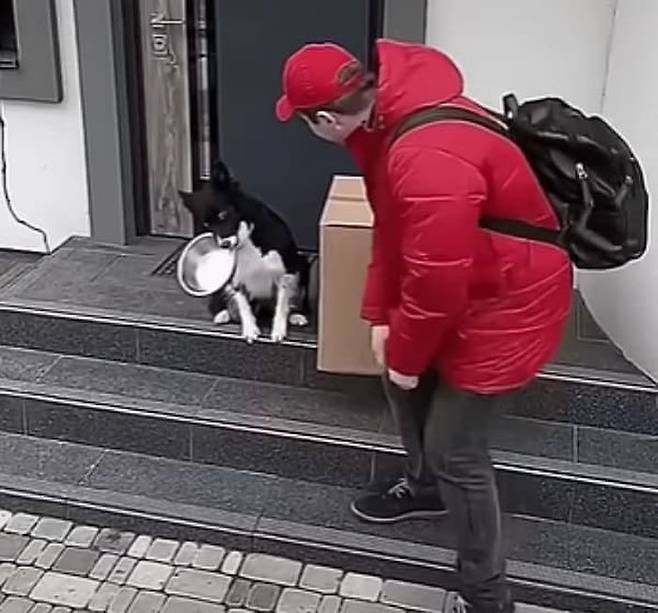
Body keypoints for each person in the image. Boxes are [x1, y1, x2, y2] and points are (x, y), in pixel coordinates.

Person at [275, 39, 572, 613]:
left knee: (457, 450)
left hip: (510, 301)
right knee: (400, 377)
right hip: (475, 280)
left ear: (326, 119)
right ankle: (426, 486)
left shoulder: (423, 153)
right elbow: (393, 233)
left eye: (305, 123)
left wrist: (410, 355)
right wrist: (379, 316)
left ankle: (486, 597)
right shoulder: (384, 127)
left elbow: (437, 281)